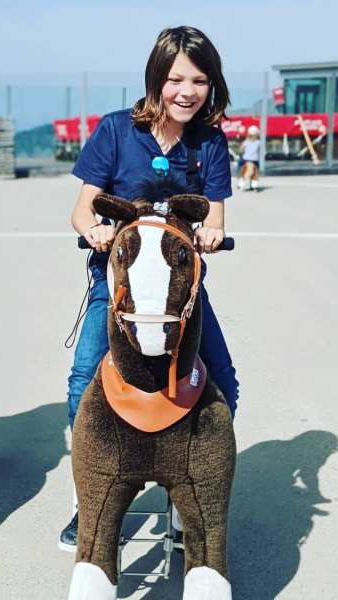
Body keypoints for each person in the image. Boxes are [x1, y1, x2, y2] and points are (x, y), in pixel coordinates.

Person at [59, 26, 240, 549]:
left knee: (224, 382)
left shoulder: (210, 142)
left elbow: (215, 217)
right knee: (83, 380)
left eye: (200, 81)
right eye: (176, 79)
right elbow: (81, 210)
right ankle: (91, 494)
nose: (188, 91)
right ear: (156, 78)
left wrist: (211, 234)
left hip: (178, 290)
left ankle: (192, 489)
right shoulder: (117, 130)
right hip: (121, 287)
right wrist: (94, 230)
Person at [237, 124, 261, 191]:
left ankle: (241, 184)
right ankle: (254, 186)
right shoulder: (258, 142)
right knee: (255, 173)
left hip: (246, 160)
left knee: (241, 171)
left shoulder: (246, 141)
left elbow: (240, 150)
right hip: (254, 160)